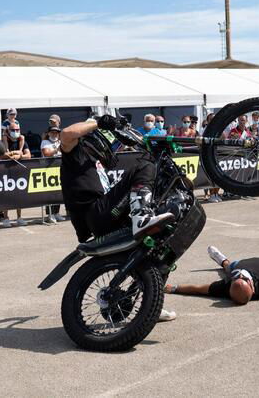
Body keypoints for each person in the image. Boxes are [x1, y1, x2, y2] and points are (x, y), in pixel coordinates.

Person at [60, 114, 177, 321]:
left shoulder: (97, 165)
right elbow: (67, 134)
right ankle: (141, 218)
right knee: (144, 165)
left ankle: (150, 304)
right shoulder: (75, 153)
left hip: (106, 216)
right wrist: (97, 122)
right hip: (96, 214)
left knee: (161, 249)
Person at [0, 122, 32, 227]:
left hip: (18, 172)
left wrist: (20, 156)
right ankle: (5, 217)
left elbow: (28, 155)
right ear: (8, 131)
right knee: (5, 196)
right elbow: (1, 156)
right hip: (6, 172)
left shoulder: (22, 141)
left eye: (17, 130)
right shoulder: (3, 141)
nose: (15, 132)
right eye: (13, 130)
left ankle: (19, 217)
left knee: (19, 195)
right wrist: (13, 154)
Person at [41, 125, 65, 224]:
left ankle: (56, 213)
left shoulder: (60, 142)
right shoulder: (45, 142)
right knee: (50, 193)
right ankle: (50, 214)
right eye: (53, 132)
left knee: (58, 191)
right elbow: (46, 153)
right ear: (49, 133)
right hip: (49, 170)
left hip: (60, 169)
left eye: (56, 132)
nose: (55, 134)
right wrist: (57, 150)